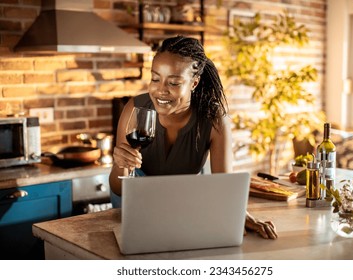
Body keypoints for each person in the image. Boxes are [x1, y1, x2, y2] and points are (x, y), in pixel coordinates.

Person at [109, 35, 277, 239]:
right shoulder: (134, 109)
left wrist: (242, 215)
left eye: (173, 82)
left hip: (183, 200)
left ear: (194, 83)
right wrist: (120, 164)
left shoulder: (214, 119)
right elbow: (119, 189)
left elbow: (223, 185)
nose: (160, 90)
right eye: (155, 78)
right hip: (136, 200)